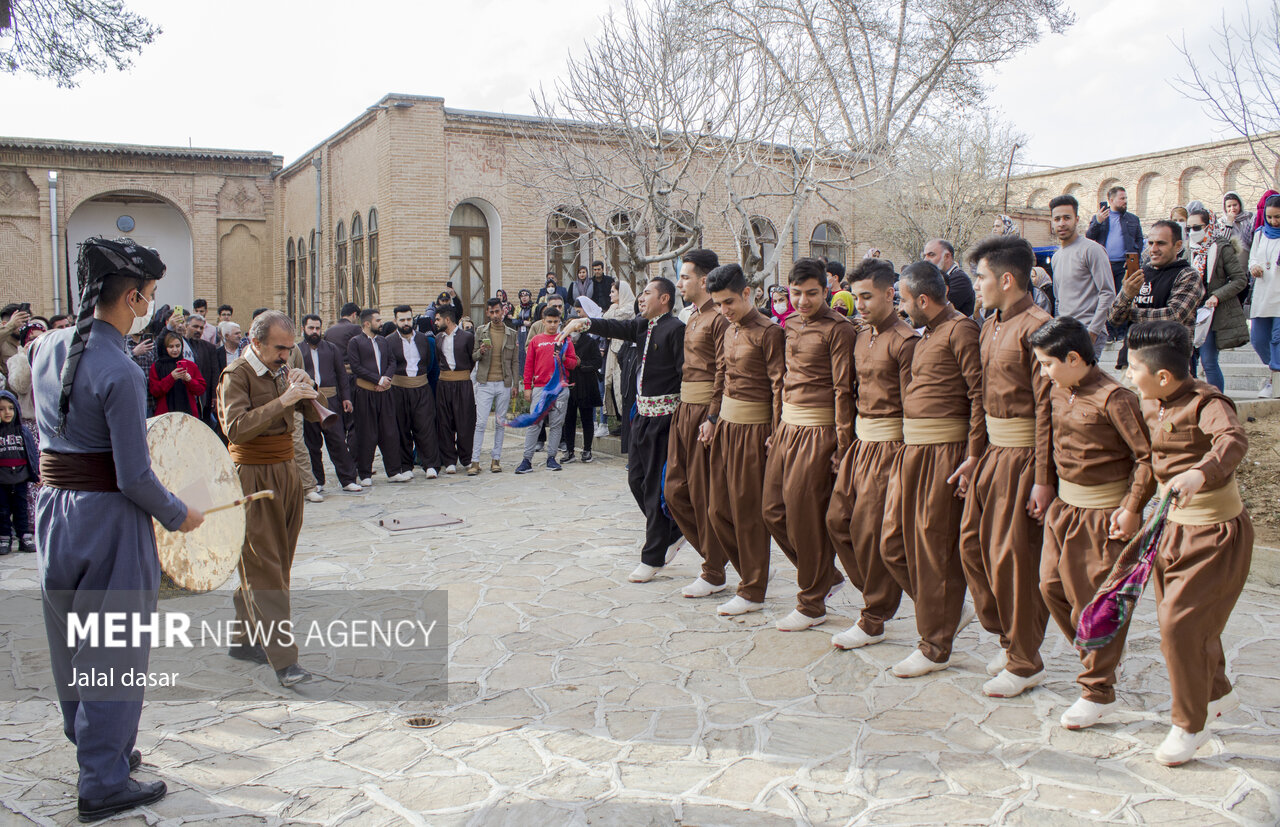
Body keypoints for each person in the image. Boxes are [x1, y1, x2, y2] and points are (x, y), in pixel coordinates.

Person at [31, 237, 203, 820]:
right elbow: (134, 476)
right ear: (130, 297)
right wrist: (182, 514)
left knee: (71, 640)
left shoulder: (45, 348)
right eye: (148, 297)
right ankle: (102, 782)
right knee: (115, 647)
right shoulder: (123, 371)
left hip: (55, 511)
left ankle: (99, 750)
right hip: (109, 517)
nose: (148, 308)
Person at [1123, 321, 1252, 766]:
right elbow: (1148, 461)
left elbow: (1232, 440)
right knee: (1183, 623)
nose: (1126, 373)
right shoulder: (1153, 404)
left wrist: (1202, 471)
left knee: (1180, 626)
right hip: (1171, 528)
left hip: (1212, 533)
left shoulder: (1207, 403)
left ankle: (1189, 726)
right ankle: (1215, 693)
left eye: (1133, 366)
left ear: (1163, 375)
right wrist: (1132, 505)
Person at [1026, 316, 1153, 730]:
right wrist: (1044, 485)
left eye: (1047, 363)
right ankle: (1093, 659)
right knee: (1050, 587)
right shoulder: (1056, 388)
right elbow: (1046, 438)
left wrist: (1132, 507)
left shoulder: (1114, 397)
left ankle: (1098, 690)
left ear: (1075, 357)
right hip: (1064, 509)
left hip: (1102, 516)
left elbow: (1146, 458)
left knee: (1094, 603)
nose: (1043, 372)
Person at [956, 236, 1054, 699]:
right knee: (973, 549)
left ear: (1007, 279)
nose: (977, 286)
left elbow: (1047, 411)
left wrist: (1042, 479)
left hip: (1023, 459)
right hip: (992, 455)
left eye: (981, 277)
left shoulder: (1040, 328)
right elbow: (980, 399)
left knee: (1013, 560)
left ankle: (1025, 660)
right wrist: (975, 454)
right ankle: (1009, 637)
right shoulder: (990, 324)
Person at [881, 260, 983, 678]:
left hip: (945, 453)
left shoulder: (961, 330)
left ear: (923, 299)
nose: (902, 310)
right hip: (913, 451)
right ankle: (945, 610)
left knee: (934, 549)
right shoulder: (926, 333)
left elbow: (979, 396)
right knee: (892, 544)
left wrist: (973, 455)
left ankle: (934, 645)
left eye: (904, 301)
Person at [217, 310, 320, 688]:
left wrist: (308, 388)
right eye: (280, 349)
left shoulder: (282, 370)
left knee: (277, 562)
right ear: (255, 342)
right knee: (265, 567)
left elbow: (314, 416)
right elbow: (237, 429)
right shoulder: (236, 376)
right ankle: (284, 660)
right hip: (253, 477)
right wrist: (283, 401)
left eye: (290, 350)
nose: (285, 357)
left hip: (286, 471)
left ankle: (244, 641)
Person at [560, 277, 685, 581]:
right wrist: (582, 323)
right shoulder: (642, 325)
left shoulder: (675, 330)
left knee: (656, 488)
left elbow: (685, 374)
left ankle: (653, 556)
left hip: (665, 418)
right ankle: (674, 531)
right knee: (636, 479)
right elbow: (615, 327)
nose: (642, 299)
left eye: (648, 293)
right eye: (641, 294)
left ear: (664, 299)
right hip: (641, 416)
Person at [824, 259, 918, 647]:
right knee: (837, 521)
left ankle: (874, 617)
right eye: (856, 296)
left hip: (891, 448)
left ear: (889, 294)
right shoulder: (861, 336)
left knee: (870, 533)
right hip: (860, 447)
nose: (859, 304)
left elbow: (915, 405)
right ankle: (922, 599)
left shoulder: (906, 340)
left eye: (867, 296)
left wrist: (908, 459)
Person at [761, 258, 855, 631]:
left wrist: (842, 446)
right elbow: (781, 382)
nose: (802, 301)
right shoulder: (790, 325)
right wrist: (775, 428)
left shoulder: (839, 329)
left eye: (811, 293)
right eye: (796, 293)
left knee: (806, 520)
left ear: (826, 290)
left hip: (820, 432)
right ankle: (825, 576)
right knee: (772, 511)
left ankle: (811, 603)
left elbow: (843, 390)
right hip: (787, 428)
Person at [701, 263, 786, 615]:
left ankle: (752, 589)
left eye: (730, 302)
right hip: (725, 427)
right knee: (718, 509)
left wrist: (777, 432)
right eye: (719, 303)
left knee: (749, 512)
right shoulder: (726, 329)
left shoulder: (769, 332)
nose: (724, 310)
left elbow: (780, 385)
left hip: (756, 431)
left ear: (748, 293)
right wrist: (710, 417)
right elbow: (721, 376)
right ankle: (750, 572)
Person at [660, 249, 730, 598]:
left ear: (704, 280)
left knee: (704, 494)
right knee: (674, 489)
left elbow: (723, 371)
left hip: (705, 410)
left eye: (685, 276)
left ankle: (714, 569)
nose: (680, 283)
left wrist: (713, 416)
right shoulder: (691, 317)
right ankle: (716, 555)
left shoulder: (719, 318)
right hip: (684, 407)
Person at [1108, 221, 1204, 350]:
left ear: (1178, 246)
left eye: (1161, 243)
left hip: (1169, 358)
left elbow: (1173, 317)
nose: (1153, 249)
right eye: (1151, 243)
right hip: (1133, 357)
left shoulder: (1188, 275)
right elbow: (1114, 318)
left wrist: (1131, 314)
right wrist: (1126, 294)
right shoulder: (1140, 273)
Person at [1185, 208, 1250, 392]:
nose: (1192, 232)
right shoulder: (1189, 250)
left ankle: (1217, 402)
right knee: (1188, 362)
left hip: (1211, 312)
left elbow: (1239, 279)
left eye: (1197, 227)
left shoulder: (1221, 247)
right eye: (1189, 228)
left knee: (1209, 361)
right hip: (1189, 311)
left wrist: (1217, 296)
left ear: (1209, 225)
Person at [298, 314, 362, 493]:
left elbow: (341, 375)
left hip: (331, 401)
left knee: (338, 441)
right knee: (312, 443)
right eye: (311, 328)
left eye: (317, 328)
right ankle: (317, 480)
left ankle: (348, 479)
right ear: (304, 328)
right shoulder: (297, 350)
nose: (315, 332)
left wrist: (346, 398)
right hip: (308, 401)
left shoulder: (331, 348)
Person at [1049, 195, 1115, 353]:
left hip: (1087, 332)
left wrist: (1093, 331)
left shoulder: (1092, 250)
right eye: (1057, 219)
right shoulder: (1056, 257)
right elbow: (1059, 300)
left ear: (1077, 219)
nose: (1062, 223)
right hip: (1066, 334)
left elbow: (1108, 293)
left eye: (1067, 218)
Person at [1087, 185, 1145, 364]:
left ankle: (1121, 333)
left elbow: (1139, 240)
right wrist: (1097, 221)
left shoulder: (1132, 219)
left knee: (1124, 297)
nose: (1125, 201)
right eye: (1122, 198)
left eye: (1126, 198)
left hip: (1125, 264)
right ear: (1111, 200)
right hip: (1103, 265)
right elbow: (1089, 237)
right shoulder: (1100, 218)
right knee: (1107, 297)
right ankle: (1110, 332)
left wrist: (1133, 255)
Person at [347, 309, 405, 485]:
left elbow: (392, 361)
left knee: (390, 432)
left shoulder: (383, 341)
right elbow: (356, 367)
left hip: (384, 394)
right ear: (366, 323)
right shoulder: (355, 342)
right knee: (367, 433)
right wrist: (377, 379)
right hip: (365, 394)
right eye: (378, 320)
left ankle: (394, 471)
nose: (381, 323)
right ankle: (365, 474)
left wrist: (386, 379)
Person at [518, 306, 578, 473]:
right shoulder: (536, 340)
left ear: (560, 322)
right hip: (540, 388)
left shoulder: (565, 340)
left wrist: (564, 357)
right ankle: (526, 460)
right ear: (543, 321)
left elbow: (573, 363)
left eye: (556, 322)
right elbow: (528, 365)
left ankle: (552, 458)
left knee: (557, 425)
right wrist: (527, 387)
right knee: (534, 424)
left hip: (560, 388)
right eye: (549, 322)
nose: (552, 325)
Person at [387, 305, 441, 479]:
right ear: (396, 321)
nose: (406, 323)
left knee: (426, 426)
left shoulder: (422, 339)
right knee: (402, 428)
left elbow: (429, 362)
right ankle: (406, 466)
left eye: (408, 319)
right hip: (398, 389)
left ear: (413, 320)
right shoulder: (388, 341)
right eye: (402, 320)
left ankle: (431, 465)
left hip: (421, 388)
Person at [471, 299, 519, 474]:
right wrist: (481, 351)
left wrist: (516, 384)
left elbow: (514, 361)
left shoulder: (511, 333)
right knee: (481, 423)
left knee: (500, 423)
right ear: (487, 313)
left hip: (504, 383)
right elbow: (474, 356)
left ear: (503, 311)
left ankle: (495, 459)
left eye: (497, 311)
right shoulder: (480, 331)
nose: (495, 315)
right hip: (484, 382)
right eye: (491, 312)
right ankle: (475, 461)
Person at [434, 305, 476, 474]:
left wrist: (462, 376)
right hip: (444, 384)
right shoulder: (438, 338)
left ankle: (466, 458)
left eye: (438, 319)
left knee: (465, 421)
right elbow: (438, 360)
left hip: (463, 383)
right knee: (444, 422)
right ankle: (449, 460)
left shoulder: (466, 337)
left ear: (447, 319)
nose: (436, 322)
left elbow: (471, 359)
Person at [1248, 194, 1280, 398]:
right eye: (1270, 217)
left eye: (1278, 217)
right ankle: (1274, 373)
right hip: (1262, 295)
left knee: (1277, 339)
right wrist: (1254, 267)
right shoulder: (1260, 234)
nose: (1274, 221)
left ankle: (1274, 382)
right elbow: (1252, 258)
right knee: (1258, 339)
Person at [0, 390, 38, 553]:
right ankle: (4, 538)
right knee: (2, 510)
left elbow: (31, 452)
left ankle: (24, 537)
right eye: (1, 409)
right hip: (2, 480)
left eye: (10, 408)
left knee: (21, 509)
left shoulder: (23, 431)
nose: (7, 412)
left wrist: (36, 473)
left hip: (20, 478)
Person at [562, 319, 603, 464]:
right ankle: (569, 450)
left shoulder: (590, 342)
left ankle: (587, 450)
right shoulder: (564, 342)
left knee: (587, 418)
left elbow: (598, 362)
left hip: (586, 385)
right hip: (569, 384)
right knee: (568, 419)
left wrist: (582, 364)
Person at [602, 281, 638, 433]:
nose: (610, 295)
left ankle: (628, 422)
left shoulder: (629, 307)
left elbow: (611, 319)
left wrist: (612, 310)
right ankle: (620, 420)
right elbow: (605, 319)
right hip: (614, 349)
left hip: (626, 351)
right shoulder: (614, 307)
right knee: (611, 383)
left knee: (622, 385)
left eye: (613, 292)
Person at [147, 330, 206, 416]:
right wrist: (171, 378)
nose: (175, 350)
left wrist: (189, 380)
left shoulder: (191, 365)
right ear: (165, 347)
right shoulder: (157, 366)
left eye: (178, 346)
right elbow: (155, 391)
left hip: (188, 414)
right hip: (165, 415)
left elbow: (201, 390)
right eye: (171, 347)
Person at [923, 239, 976, 317]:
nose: (926, 260)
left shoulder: (960, 279)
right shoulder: (937, 279)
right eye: (924, 255)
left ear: (947, 256)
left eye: (931, 255)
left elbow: (935, 310)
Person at [0, 302, 31, 380]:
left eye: (26, 323)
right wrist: (11, 326)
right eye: (20, 323)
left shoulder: (29, 342)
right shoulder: (3, 343)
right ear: (5, 324)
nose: (24, 327)